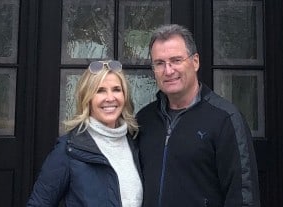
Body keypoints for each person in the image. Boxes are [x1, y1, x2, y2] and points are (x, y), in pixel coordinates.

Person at [136, 24, 260, 207]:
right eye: (160, 63)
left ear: (195, 62)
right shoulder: (144, 120)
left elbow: (243, 196)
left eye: (176, 60)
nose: (168, 71)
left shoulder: (225, 119)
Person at [27, 60, 143, 207]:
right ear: (87, 98)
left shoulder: (136, 142)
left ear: (124, 95)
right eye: (100, 90)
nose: (110, 98)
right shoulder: (68, 149)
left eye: (116, 89)